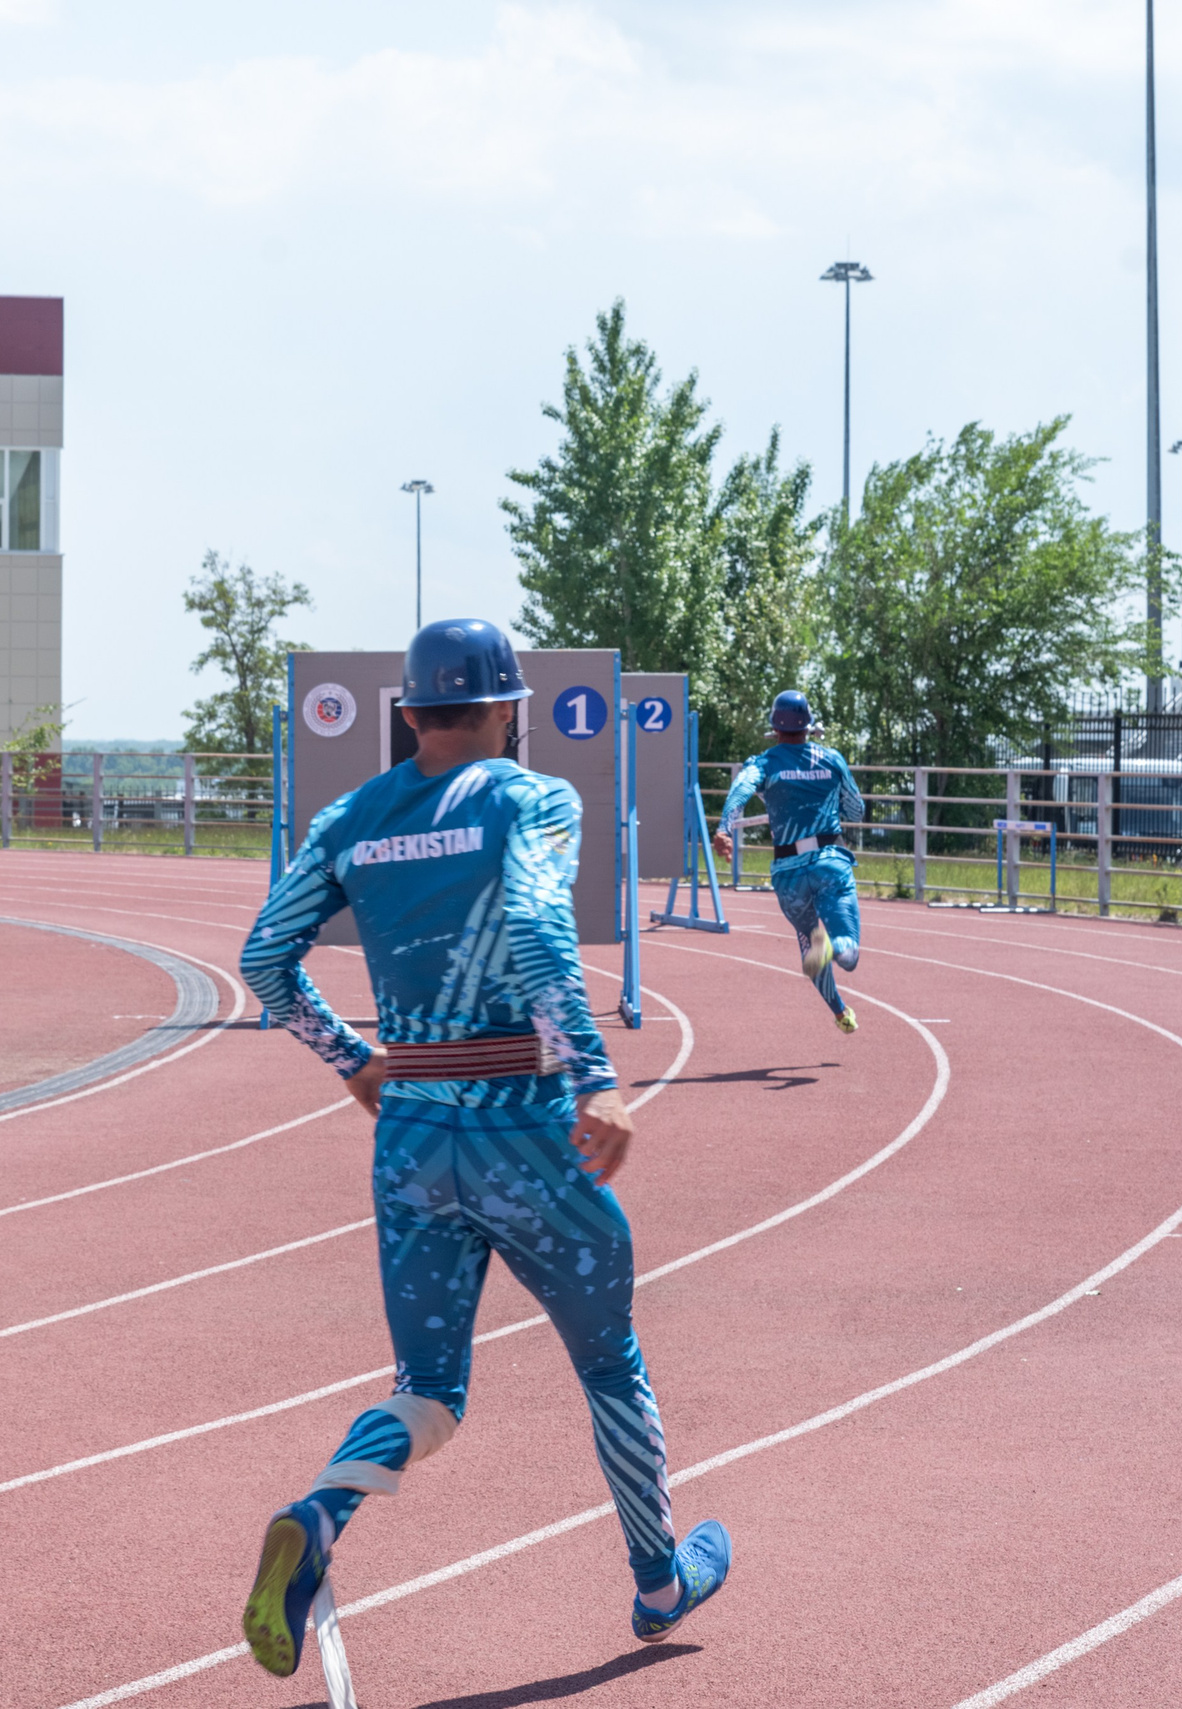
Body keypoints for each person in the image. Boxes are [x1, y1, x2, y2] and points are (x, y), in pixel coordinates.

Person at [236, 618, 732, 1677]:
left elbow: (265, 958)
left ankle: (321, 1513)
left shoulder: (348, 817)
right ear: (510, 708)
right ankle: (657, 1580)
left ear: (408, 712)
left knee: (427, 1382)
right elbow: (539, 930)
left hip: (412, 1128)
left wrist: (354, 1061)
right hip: (523, 1125)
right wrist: (594, 1074)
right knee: (607, 1358)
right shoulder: (527, 796)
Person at [714, 690, 865, 1032]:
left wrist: (724, 828)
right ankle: (836, 947)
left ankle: (839, 1011)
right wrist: (826, 798)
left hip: (788, 876)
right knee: (848, 955)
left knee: (811, 944)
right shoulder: (831, 759)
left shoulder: (764, 763)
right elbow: (857, 810)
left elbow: (739, 792)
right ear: (809, 727)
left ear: (775, 730)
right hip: (830, 864)